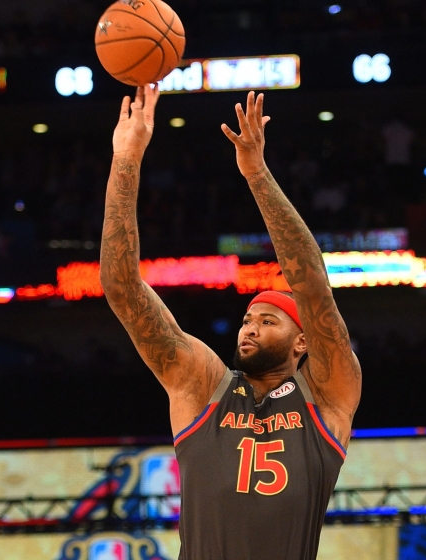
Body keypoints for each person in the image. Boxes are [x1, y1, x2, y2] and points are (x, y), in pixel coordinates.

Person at [100, 85, 363, 560]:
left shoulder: (327, 396)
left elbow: (311, 285)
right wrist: (127, 158)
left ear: (304, 341)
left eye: (268, 320)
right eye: (247, 319)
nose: (250, 328)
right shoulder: (202, 384)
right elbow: (121, 287)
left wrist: (257, 174)